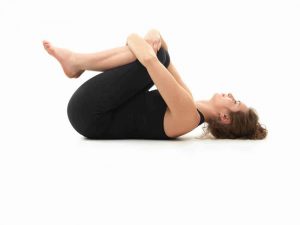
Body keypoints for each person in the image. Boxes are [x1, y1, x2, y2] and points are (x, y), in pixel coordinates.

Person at [42, 29, 267, 140]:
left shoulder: (187, 116)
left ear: (225, 118)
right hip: (92, 113)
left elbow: (149, 59)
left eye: (234, 101)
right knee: (162, 57)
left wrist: (134, 37)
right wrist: (153, 33)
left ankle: (77, 61)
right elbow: (163, 52)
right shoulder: (188, 100)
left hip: (90, 115)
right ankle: (76, 62)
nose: (230, 94)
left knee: (156, 59)